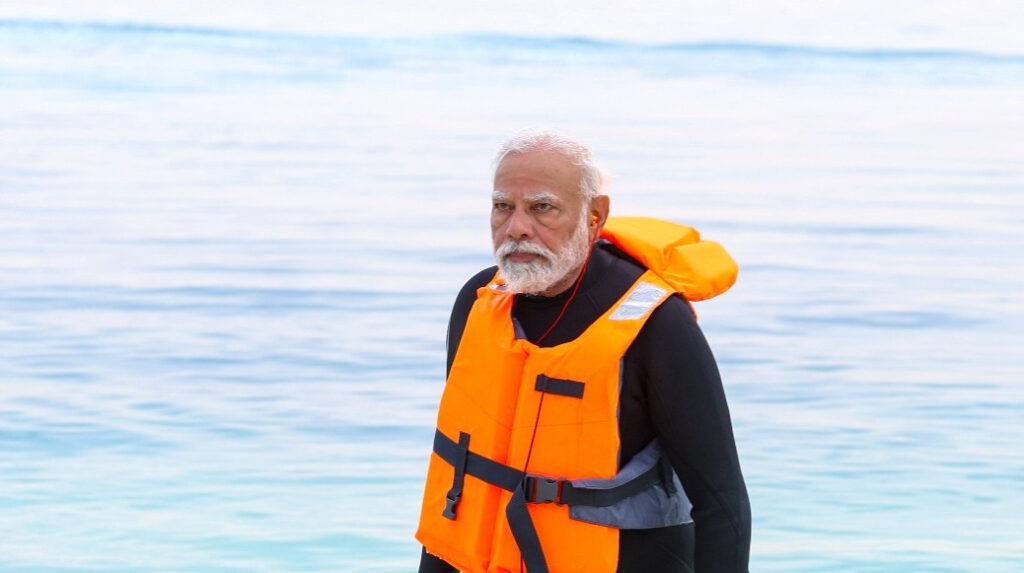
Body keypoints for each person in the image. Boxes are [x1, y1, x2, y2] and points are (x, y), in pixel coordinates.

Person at [416, 131, 751, 572]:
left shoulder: (658, 327)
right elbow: (464, 467)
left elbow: (722, 504)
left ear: (594, 216)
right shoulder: (477, 303)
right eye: (503, 206)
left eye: (541, 208)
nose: (516, 227)